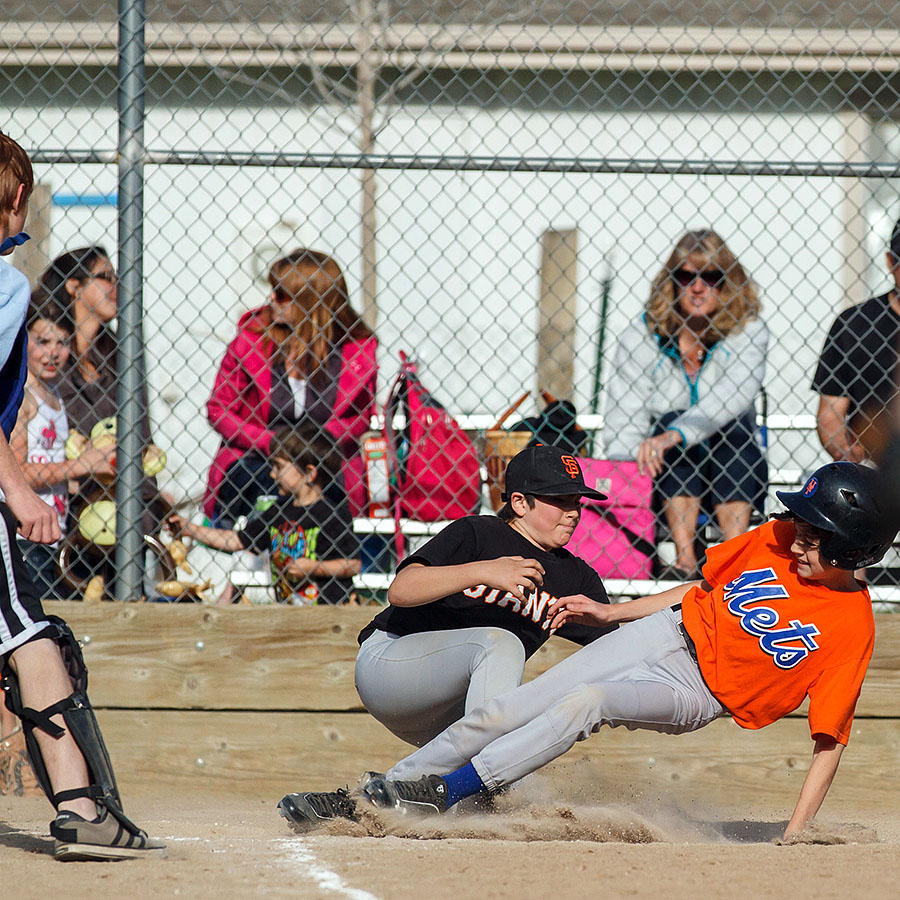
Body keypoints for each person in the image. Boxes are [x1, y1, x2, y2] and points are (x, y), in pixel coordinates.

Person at [278, 461, 895, 843]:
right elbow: (702, 590)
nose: (798, 541)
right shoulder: (778, 539)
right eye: (802, 528)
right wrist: (610, 613)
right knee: (508, 709)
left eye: (816, 537)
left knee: (588, 702)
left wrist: (796, 833)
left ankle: (451, 791)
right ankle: (382, 793)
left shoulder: (850, 627)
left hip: (694, 693)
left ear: (854, 550)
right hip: (662, 632)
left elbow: (829, 740)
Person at [0, 131, 165, 860]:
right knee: (27, 632)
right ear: (14, 200)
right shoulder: (6, 285)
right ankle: (80, 806)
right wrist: (18, 490)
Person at [346, 443, 617, 752]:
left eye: (576, 502)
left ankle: (445, 787)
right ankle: (484, 771)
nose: (573, 512)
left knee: (517, 730)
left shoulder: (577, 578)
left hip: (453, 712)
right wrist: (484, 572)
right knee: (501, 643)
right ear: (519, 503)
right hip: (390, 666)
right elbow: (401, 590)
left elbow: (615, 650)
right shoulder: (478, 533)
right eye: (559, 500)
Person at [603, 229, 769, 579]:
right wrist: (625, 481)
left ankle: (733, 558)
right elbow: (624, 413)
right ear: (672, 281)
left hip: (733, 465)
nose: (697, 287)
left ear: (727, 281)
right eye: (686, 276)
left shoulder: (748, 330)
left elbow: (734, 396)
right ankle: (686, 560)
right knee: (671, 422)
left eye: (710, 276)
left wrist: (675, 434)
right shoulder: (642, 336)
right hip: (669, 474)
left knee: (732, 433)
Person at [204, 248, 377, 528]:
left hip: (324, 470)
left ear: (311, 301)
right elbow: (218, 409)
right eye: (272, 291)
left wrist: (307, 446)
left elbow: (360, 418)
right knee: (258, 491)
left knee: (329, 509)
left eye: (281, 294)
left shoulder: (355, 349)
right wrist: (272, 444)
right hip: (256, 464)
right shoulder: (251, 339)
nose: (271, 300)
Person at [170, 426, 360, 605]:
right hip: (289, 609)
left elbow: (353, 565)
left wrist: (314, 567)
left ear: (309, 473)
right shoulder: (277, 512)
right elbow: (237, 541)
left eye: (279, 467)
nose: (272, 474)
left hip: (329, 609)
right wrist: (190, 529)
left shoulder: (332, 513)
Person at [5, 295, 115, 598]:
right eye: (43, 341)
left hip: (52, 537)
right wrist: (81, 465)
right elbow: (17, 473)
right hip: (22, 536)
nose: (53, 353)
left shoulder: (54, 395)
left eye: (62, 343)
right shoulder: (23, 397)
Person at [812, 216, 900, 463]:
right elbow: (830, 415)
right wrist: (849, 455)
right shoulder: (854, 324)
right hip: (876, 466)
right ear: (890, 261)